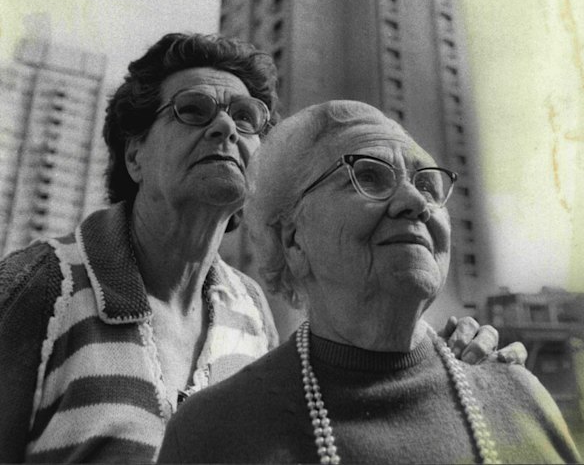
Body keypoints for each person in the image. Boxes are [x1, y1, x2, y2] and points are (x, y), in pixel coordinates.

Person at [0, 35, 525, 465]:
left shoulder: (250, 307)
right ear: (135, 155)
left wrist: (440, 366)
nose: (226, 127)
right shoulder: (38, 287)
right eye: (193, 110)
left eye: (247, 117)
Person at [158, 100, 581, 465]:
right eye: (370, 176)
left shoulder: (520, 394)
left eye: (427, 185)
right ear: (293, 240)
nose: (415, 202)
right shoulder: (213, 431)